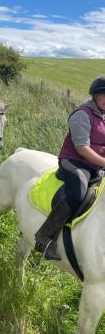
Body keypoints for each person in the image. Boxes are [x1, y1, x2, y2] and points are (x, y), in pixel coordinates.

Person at [35, 76, 105, 261]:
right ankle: (44, 237)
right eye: (104, 95)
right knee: (78, 192)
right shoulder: (82, 114)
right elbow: (82, 148)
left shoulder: (103, 116)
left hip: (95, 164)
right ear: (95, 95)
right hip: (74, 162)